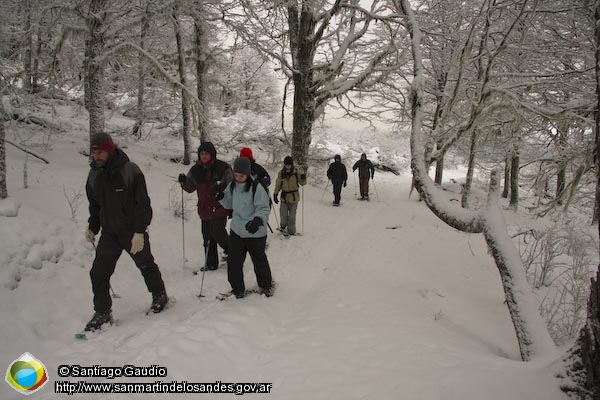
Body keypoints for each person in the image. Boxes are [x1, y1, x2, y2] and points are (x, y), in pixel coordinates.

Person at [84, 132, 168, 332]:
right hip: (110, 234)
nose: (96, 156)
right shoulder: (94, 175)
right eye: (94, 152)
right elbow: (95, 206)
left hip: (132, 231)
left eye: (101, 152)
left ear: (110, 151)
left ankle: (159, 294)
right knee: (98, 272)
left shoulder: (130, 171)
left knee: (145, 264)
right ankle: (103, 311)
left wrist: (139, 231)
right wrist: (92, 226)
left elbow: (143, 204)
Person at [219, 157, 273, 298]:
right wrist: (220, 196)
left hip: (254, 231)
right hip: (237, 230)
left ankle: (266, 286)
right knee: (234, 262)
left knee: (259, 260)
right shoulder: (232, 185)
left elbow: (263, 208)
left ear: (248, 173)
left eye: (241, 175)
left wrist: (258, 220)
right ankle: (237, 289)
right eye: (236, 175)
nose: (238, 178)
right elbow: (228, 203)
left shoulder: (256, 187)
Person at [178, 142, 233, 271]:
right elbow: (190, 187)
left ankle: (233, 251)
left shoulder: (223, 168)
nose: (204, 156)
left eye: (206, 154)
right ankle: (211, 263)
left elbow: (232, 186)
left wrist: (224, 195)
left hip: (220, 206)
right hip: (204, 208)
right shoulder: (195, 170)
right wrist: (183, 182)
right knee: (207, 236)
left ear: (212, 154)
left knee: (218, 232)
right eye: (201, 154)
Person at [273, 156, 306, 235]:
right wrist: (275, 193)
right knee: (283, 213)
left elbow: (302, 183)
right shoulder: (281, 173)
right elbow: (278, 184)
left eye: (289, 165)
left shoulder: (296, 172)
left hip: (294, 197)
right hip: (284, 197)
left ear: (291, 164)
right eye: (286, 165)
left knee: (292, 216)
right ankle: (283, 227)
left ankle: (291, 230)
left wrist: (303, 178)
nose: (287, 166)